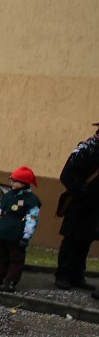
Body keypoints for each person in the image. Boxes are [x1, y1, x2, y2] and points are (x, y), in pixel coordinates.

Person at [54, 121, 99, 292]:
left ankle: (77, 275)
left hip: (95, 207)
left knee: (85, 241)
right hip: (79, 203)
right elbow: (67, 175)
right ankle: (62, 275)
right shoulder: (84, 150)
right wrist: (84, 191)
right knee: (71, 240)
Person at [0, 167, 41, 293]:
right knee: (1, 257)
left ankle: (10, 282)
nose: (12, 183)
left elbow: (32, 219)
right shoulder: (8, 195)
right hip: (3, 231)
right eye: (12, 180)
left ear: (24, 183)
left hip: (17, 233)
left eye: (15, 181)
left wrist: (26, 236)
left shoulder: (31, 200)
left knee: (16, 259)